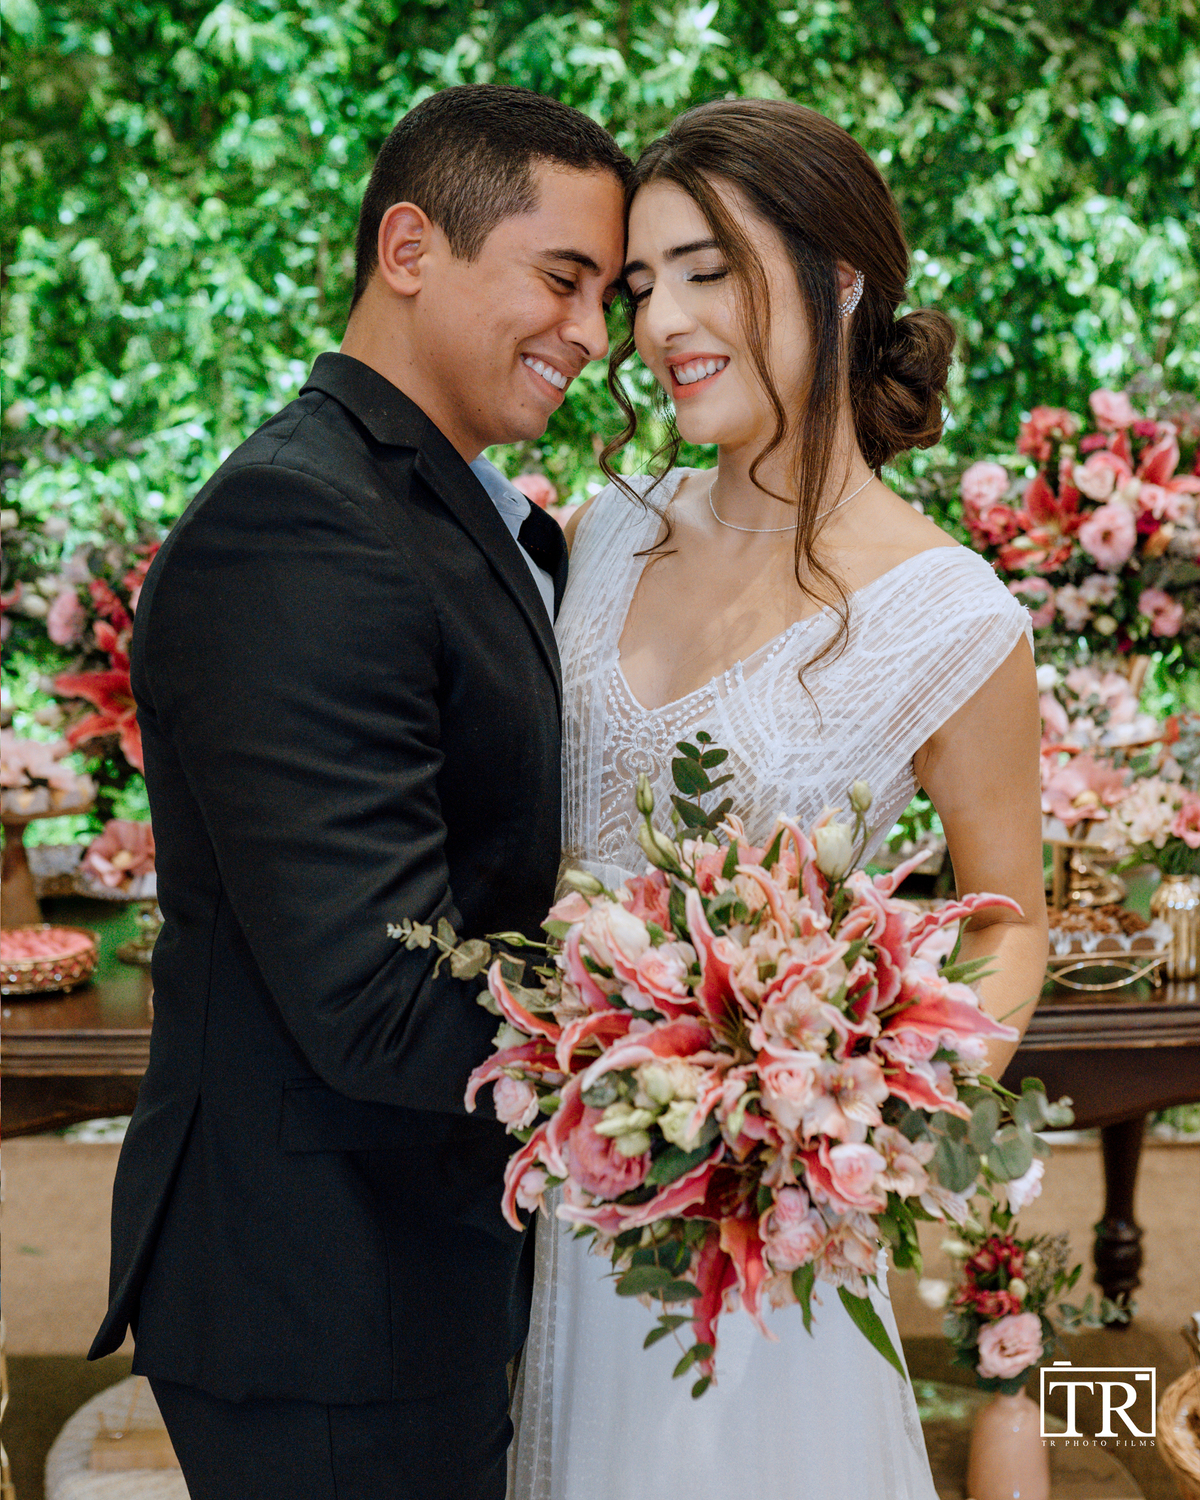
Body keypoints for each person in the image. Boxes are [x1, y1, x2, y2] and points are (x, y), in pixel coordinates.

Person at [87, 84, 627, 1500]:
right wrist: (680, 1049)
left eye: (610, 295)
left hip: (418, 1248)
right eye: (563, 279)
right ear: (409, 247)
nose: (594, 333)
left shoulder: (445, 507)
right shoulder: (301, 524)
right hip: (322, 1287)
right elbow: (377, 995)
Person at [508, 98, 1048, 1499]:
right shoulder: (607, 527)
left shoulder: (950, 615)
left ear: (841, 280)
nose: (660, 322)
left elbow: (1011, 925)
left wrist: (853, 1131)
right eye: (641, 284)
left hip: (765, 1235)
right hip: (563, 1196)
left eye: (710, 269)